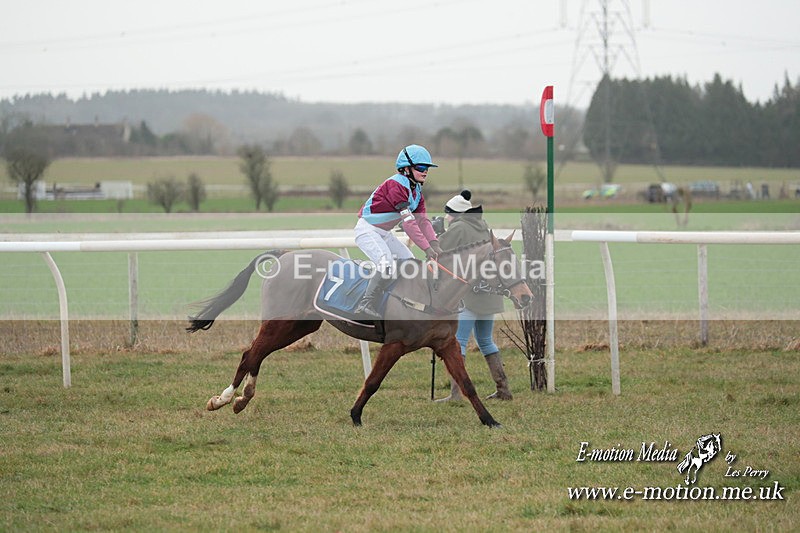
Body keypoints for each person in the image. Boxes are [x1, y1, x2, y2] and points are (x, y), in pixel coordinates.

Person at [435, 189, 512, 402]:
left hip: (469, 295)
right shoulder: (482, 225)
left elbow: (439, 251)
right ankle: (503, 390)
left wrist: (437, 234)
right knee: (486, 341)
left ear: (455, 214)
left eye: (448, 214)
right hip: (488, 295)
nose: (447, 217)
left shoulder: (459, 227)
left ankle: (456, 394)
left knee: (457, 343)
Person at [353, 144, 443, 319]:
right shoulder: (396, 185)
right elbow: (409, 223)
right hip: (367, 230)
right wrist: (426, 248)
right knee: (386, 265)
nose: (425, 172)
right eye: (421, 167)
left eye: (427, 168)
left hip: (384, 233)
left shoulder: (416, 191)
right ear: (406, 169)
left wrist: (434, 243)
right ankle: (365, 304)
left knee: (410, 262)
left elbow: (423, 221)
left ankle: (399, 301)